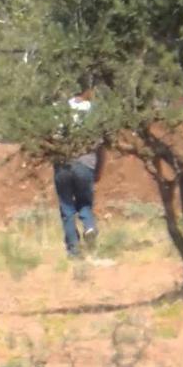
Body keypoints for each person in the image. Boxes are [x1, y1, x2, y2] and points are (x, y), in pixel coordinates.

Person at [53, 83, 104, 259]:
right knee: (84, 202)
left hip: (63, 163)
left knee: (66, 207)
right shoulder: (94, 111)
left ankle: (74, 251)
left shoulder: (60, 109)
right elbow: (100, 143)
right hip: (85, 163)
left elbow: (53, 137)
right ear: (87, 90)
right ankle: (89, 225)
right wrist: (98, 168)